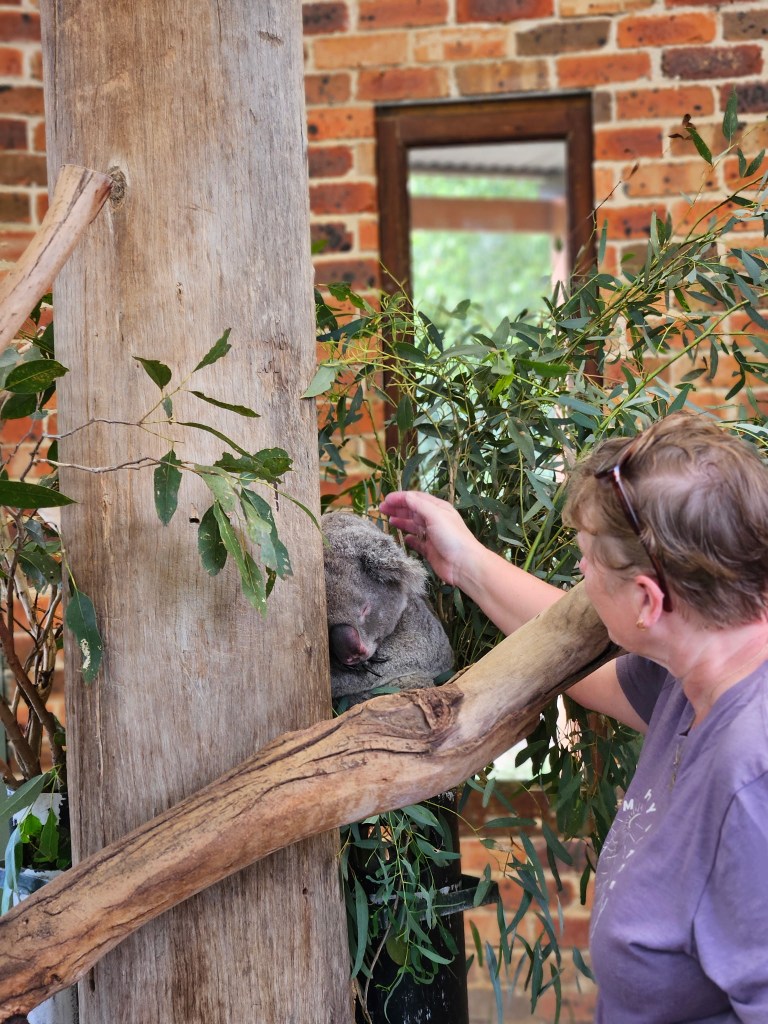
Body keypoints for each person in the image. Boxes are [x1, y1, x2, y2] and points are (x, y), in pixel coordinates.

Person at [379, 411, 768, 1024]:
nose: (580, 573)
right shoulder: (699, 666)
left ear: (648, 600)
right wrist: (466, 562)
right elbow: (595, 676)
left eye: (588, 561)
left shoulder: (752, 782)